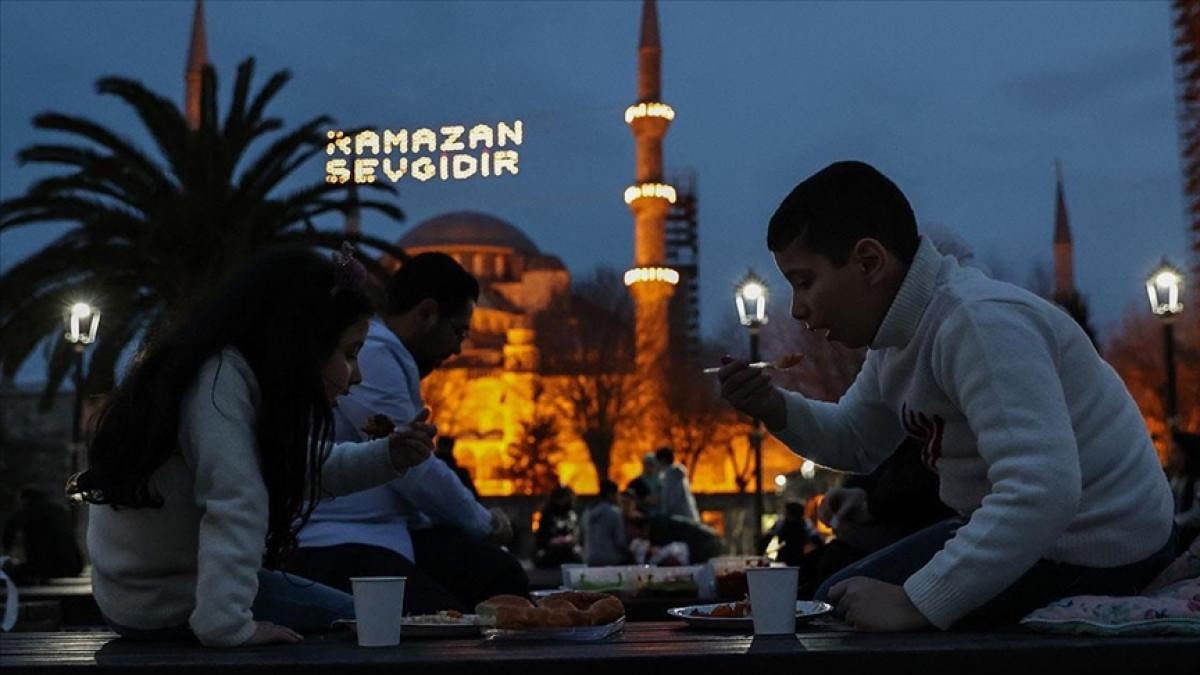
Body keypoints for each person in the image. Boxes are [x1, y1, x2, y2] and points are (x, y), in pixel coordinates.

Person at [718, 161, 1176, 632]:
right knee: (835, 601)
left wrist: (914, 603)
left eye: (804, 282)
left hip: (1102, 547)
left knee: (842, 618)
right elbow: (855, 439)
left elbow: (1042, 491)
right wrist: (775, 407)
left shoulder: (980, 324)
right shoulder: (898, 337)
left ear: (869, 262)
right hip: (1040, 533)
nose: (797, 309)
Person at [70, 245, 436, 647]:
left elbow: (298, 466)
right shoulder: (219, 382)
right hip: (168, 601)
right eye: (350, 354)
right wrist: (229, 626)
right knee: (367, 624)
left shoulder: (217, 372)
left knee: (363, 619)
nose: (357, 376)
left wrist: (387, 456)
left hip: (153, 596)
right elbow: (236, 503)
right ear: (304, 342)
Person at [288, 252, 527, 613]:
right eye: (458, 331)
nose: (459, 348)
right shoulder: (373, 353)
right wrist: (483, 522)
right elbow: (415, 470)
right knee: (445, 621)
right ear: (427, 313)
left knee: (497, 576)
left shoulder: (384, 354)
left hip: (382, 535)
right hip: (338, 539)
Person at [1, 486, 84, 584]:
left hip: (45, 568)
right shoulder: (59, 511)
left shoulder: (28, 512)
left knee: (6, 570)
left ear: (25, 500)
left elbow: (8, 534)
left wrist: (7, 551)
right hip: (74, 567)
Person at [580, 480, 629, 566]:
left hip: (589, 559)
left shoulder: (587, 512)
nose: (619, 497)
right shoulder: (614, 512)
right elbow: (619, 541)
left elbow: (580, 539)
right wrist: (629, 553)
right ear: (610, 494)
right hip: (610, 560)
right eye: (617, 494)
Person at [534, 486, 582, 569]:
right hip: (551, 553)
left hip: (569, 552)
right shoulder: (548, 515)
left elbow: (576, 534)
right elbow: (542, 538)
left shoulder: (571, 514)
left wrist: (569, 540)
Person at [655, 447, 699, 522]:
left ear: (663, 460)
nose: (656, 464)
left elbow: (671, 502)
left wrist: (663, 514)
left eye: (657, 461)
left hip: (680, 520)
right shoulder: (674, 475)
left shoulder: (671, 476)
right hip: (687, 518)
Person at [625, 453, 663, 518]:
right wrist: (643, 500)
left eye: (651, 464)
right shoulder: (635, 483)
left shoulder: (662, 482)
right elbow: (628, 500)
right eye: (647, 464)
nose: (649, 467)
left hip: (659, 515)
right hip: (641, 515)